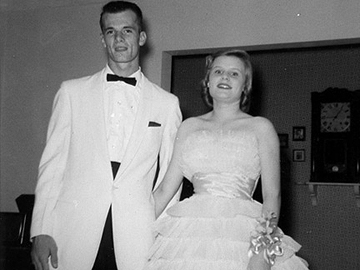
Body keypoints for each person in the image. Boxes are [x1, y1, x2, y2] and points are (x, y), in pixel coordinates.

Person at [30, 1, 182, 270]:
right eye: (111, 32)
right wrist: (40, 229)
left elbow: (171, 180)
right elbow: (51, 166)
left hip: (137, 238)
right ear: (102, 39)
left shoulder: (167, 104)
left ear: (142, 37)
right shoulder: (71, 93)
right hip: (74, 232)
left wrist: (164, 237)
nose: (119, 39)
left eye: (127, 30)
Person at [144, 49, 309, 270]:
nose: (225, 77)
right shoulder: (189, 126)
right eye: (218, 71)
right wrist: (132, 229)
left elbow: (272, 195)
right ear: (208, 81)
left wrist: (260, 255)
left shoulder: (261, 127)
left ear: (245, 86)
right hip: (190, 236)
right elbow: (165, 189)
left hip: (243, 236)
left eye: (234, 74)